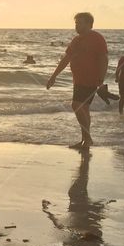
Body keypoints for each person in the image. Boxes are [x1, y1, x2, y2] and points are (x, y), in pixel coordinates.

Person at [45, 12, 109, 149]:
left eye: (79, 23)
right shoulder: (76, 40)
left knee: (76, 105)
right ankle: (85, 140)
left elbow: (104, 59)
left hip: (91, 80)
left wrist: (101, 80)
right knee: (83, 109)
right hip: (78, 80)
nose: (77, 25)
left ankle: (88, 139)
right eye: (76, 23)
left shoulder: (97, 38)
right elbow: (66, 59)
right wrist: (53, 76)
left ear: (89, 24)